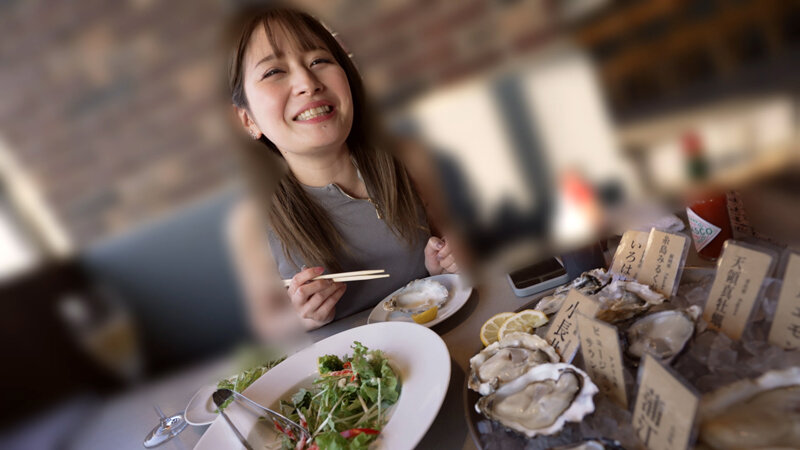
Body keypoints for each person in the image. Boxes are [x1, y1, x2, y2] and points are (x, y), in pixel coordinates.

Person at [223, 6, 459, 340]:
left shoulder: (407, 159)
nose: (307, 83)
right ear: (248, 119)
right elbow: (268, 323)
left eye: (318, 60)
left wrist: (445, 266)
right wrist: (302, 317)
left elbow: (455, 248)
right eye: (274, 71)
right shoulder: (252, 219)